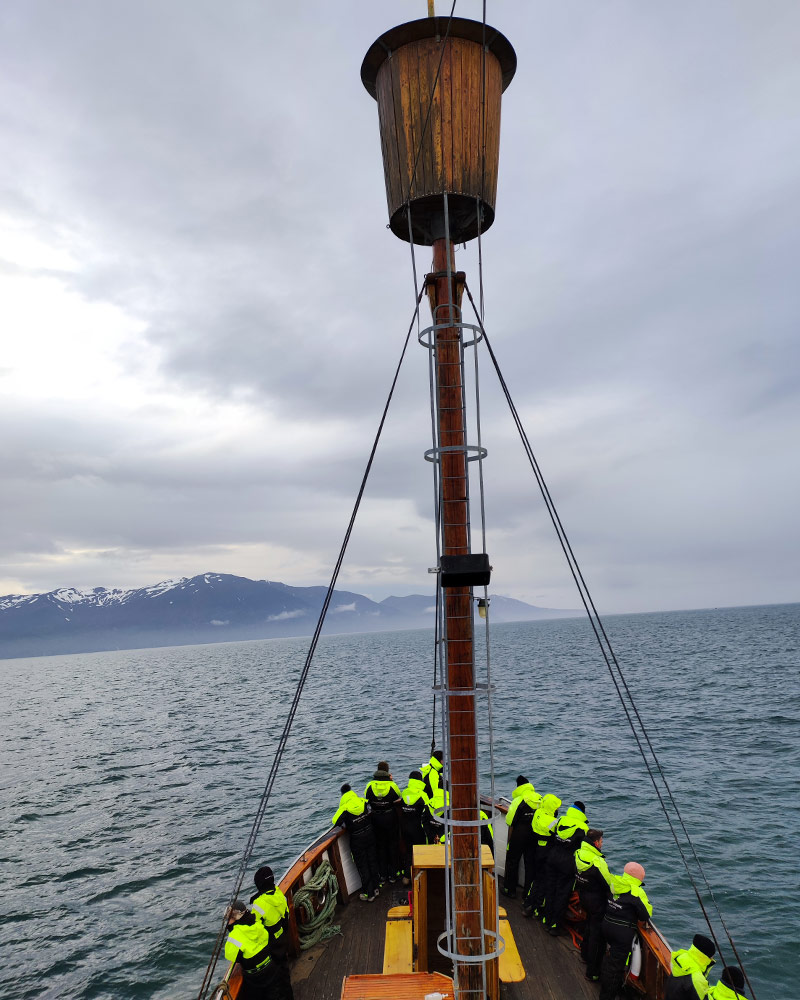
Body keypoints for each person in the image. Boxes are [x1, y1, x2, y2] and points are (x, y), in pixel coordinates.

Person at [599, 861, 652, 1000]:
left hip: (606, 925)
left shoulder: (615, 882)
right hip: (621, 933)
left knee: (609, 960)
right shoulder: (636, 891)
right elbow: (645, 915)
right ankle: (607, 996)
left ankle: (601, 980)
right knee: (616, 967)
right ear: (639, 878)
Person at [224, 899, 292, 1000]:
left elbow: (232, 956)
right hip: (271, 967)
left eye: (230, 918)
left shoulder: (234, 935)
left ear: (236, 918)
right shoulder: (257, 922)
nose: (227, 922)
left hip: (256, 978)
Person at [542, 800, 588, 935]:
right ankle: (555, 926)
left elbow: (549, 830)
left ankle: (546, 919)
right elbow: (583, 850)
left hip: (552, 859)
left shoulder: (560, 820)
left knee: (550, 890)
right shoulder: (583, 828)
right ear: (582, 813)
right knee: (562, 894)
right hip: (567, 865)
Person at [574, 828, 614, 983]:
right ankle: (592, 972)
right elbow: (608, 884)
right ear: (596, 843)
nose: (602, 844)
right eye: (602, 841)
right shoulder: (598, 862)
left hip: (584, 897)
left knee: (588, 927)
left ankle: (584, 955)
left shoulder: (578, 854)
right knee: (597, 938)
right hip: (597, 902)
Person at [332, 783, 380, 901]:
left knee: (362, 865)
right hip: (370, 834)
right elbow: (371, 810)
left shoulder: (344, 808)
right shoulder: (362, 801)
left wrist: (346, 824)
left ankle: (369, 894)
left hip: (357, 839)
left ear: (343, 795)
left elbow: (335, 821)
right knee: (373, 861)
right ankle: (376, 888)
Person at [522, 792, 561, 918]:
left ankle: (528, 903)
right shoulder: (552, 822)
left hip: (537, 850)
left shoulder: (538, 813)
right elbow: (557, 833)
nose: (558, 809)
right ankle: (537, 909)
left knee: (536, 880)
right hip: (547, 853)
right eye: (556, 807)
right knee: (545, 882)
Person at [502, 775, 541, 899]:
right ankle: (527, 894)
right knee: (530, 864)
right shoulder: (539, 798)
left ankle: (510, 890)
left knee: (513, 861)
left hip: (519, 833)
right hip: (534, 835)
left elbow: (509, 820)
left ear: (518, 786)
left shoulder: (518, 800)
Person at [364, 761, 402, 884]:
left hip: (375, 819)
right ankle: (393, 875)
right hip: (390, 817)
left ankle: (383, 875)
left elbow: (366, 799)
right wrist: (391, 782)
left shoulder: (369, 785)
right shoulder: (392, 785)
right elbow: (398, 798)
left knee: (380, 846)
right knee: (392, 845)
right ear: (387, 771)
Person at [398, 769, 435, 883]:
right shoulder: (423, 795)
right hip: (418, 828)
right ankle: (421, 877)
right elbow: (429, 812)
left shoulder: (404, 793)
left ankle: (407, 876)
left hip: (405, 828)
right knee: (421, 851)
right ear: (420, 780)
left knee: (409, 851)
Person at [250, 864, 290, 954]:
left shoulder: (258, 904)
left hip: (272, 941)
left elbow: (255, 929)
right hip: (283, 933)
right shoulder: (277, 892)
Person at [664, 934, 717, 999]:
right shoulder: (697, 978)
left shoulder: (681, 959)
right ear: (705, 957)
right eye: (712, 956)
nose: (712, 958)